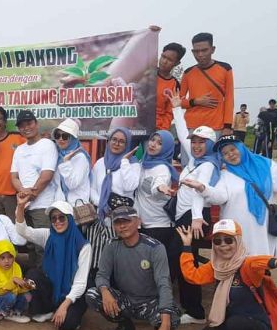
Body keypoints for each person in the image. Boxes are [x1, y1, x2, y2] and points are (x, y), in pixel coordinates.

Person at [85, 206, 180, 330]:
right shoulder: (111, 246)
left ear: (138, 222)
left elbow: (164, 284)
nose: (122, 226)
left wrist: (166, 323)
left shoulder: (155, 248)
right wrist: (105, 292)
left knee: (172, 315)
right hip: (127, 299)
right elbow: (101, 275)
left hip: (150, 301)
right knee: (93, 294)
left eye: (126, 221)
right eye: (117, 222)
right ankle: (125, 325)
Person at [182, 134, 277, 256]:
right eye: (225, 153)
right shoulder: (225, 174)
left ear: (241, 147)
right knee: (237, 264)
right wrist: (202, 188)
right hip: (236, 230)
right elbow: (220, 197)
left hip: (263, 229)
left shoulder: (266, 165)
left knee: (261, 262)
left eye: (232, 149)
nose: (230, 154)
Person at [171, 94, 222, 324]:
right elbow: (182, 135)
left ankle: (195, 311)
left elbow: (200, 194)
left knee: (186, 261)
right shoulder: (194, 161)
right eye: (195, 142)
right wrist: (176, 109)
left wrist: (196, 218)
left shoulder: (208, 166)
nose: (196, 145)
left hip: (194, 219)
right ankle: (189, 306)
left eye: (202, 142)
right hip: (186, 216)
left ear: (210, 144)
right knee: (182, 259)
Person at [15, 198, 91, 330]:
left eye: (62, 218)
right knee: (33, 275)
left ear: (70, 219)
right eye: (53, 218)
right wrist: (20, 207)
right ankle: (47, 310)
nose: (57, 222)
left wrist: (64, 306)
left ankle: (62, 308)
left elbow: (80, 284)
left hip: (73, 293)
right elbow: (24, 231)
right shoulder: (48, 235)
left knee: (66, 325)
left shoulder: (83, 246)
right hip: (52, 287)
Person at [134, 130, 182, 295]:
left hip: (160, 227)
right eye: (153, 140)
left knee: (157, 269)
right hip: (145, 224)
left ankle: (162, 305)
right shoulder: (144, 163)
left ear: (167, 148)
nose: (153, 144)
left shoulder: (161, 168)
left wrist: (161, 188)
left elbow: (157, 185)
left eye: (160, 143)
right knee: (146, 266)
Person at [87, 127, 140, 275]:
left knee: (120, 261)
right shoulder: (100, 163)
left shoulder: (133, 164)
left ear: (127, 144)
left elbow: (130, 186)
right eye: (114, 140)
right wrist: (102, 204)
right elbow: (92, 189)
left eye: (122, 142)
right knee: (99, 258)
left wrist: (124, 162)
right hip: (101, 218)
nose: (117, 144)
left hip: (122, 220)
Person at [11, 110, 58, 269]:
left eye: (29, 123)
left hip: (42, 206)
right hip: (25, 205)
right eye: (22, 126)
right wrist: (24, 192)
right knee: (29, 245)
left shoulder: (47, 144)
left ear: (36, 124)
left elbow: (47, 175)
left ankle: (46, 283)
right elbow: (14, 177)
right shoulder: (19, 149)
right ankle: (33, 282)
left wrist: (31, 194)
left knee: (43, 247)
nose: (26, 128)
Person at [180, 32, 235, 140]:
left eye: (204, 50)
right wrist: (195, 101)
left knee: (213, 157)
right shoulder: (188, 73)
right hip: (192, 127)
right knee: (190, 157)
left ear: (212, 49)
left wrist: (227, 126)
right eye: (196, 51)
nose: (200, 54)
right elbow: (178, 102)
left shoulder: (225, 69)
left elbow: (229, 98)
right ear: (192, 51)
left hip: (216, 128)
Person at [0, 240, 33, 326]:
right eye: (2, 258)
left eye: (10, 257)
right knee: (10, 296)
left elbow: (18, 289)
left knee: (28, 296)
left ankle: (14, 313)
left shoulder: (16, 267)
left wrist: (26, 286)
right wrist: (13, 281)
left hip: (13, 297)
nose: (7, 261)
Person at [51, 118, 91, 205]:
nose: (61, 139)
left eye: (65, 136)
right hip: (61, 207)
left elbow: (72, 184)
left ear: (73, 138)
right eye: (57, 135)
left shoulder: (80, 157)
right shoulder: (58, 156)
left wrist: (66, 163)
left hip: (77, 208)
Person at [156, 43, 186, 131]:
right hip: (135, 124)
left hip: (156, 129)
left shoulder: (174, 85)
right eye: (163, 56)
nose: (164, 61)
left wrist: (162, 130)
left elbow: (170, 112)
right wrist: (150, 33)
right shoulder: (147, 73)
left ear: (177, 63)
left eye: (169, 60)